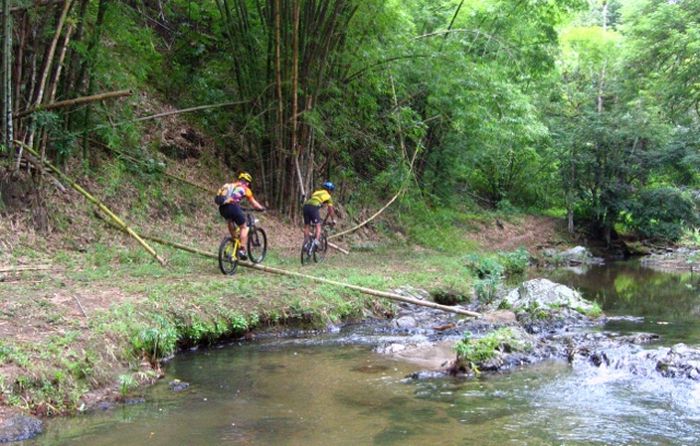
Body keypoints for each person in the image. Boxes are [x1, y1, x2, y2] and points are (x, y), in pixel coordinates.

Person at [217, 172, 265, 260]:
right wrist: (261, 208)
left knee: (230, 220)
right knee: (244, 228)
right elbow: (254, 203)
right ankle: (242, 249)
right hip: (233, 207)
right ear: (247, 182)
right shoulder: (245, 188)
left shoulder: (231, 185)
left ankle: (233, 240)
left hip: (222, 208)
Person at [303, 181, 336, 248]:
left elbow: (316, 200)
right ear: (330, 190)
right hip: (313, 208)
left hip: (306, 206)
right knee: (318, 225)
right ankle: (316, 242)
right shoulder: (328, 196)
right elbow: (330, 210)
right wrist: (333, 220)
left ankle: (305, 244)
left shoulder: (316, 192)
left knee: (307, 226)